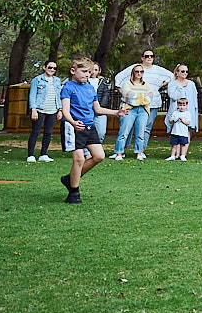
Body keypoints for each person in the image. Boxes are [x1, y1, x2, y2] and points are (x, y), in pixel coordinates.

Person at [59, 57, 128, 204]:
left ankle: (69, 179)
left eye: (89, 72)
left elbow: (97, 109)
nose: (87, 75)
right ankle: (74, 192)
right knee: (79, 159)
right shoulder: (68, 87)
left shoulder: (90, 88)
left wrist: (116, 112)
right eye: (84, 71)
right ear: (73, 71)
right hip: (73, 127)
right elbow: (65, 110)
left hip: (89, 127)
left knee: (99, 156)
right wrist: (73, 122)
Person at [113, 49, 171, 160]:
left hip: (149, 105)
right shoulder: (134, 69)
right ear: (142, 57)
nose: (149, 58)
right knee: (126, 129)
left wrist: (160, 86)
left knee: (145, 129)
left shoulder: (157, 71)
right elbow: (119, 79)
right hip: (131, 106)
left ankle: (140, 151)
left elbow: (171, 76)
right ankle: (121, 151)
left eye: (152, 56)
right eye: (147, 56)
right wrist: (126, 96)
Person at [26, 60, 63, 162]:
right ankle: (30, 155)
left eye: (54, 68)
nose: (52, 70)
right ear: (44, 67)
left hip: (52, 110)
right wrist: (33, 109)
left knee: (48, 132)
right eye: (50, 67)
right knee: (35, 132)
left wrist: (60, 110)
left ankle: (43, 154)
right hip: (40, 109)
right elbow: (32, 95)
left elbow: (59, 96)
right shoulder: (37, 80)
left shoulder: (57, 81)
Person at [167, 63, 199, 146]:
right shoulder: (172, 84)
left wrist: (194, 110)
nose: (185, 73)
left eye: (186, 71)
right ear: (177, 72)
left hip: (189, 110)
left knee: (187, 131)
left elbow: (194, 98)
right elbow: (173, 96)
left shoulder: (191, 84)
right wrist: (180, 87)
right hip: (176, 110)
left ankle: (183, 154)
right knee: (176, 131)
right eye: (182, 71)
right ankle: (175, 154)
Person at [165, 97, 192, 161]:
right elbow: (170, 121)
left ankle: (182, 155)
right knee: (174, 145)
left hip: (183, 133)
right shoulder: (175, 113)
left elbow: (188, 123)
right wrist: (174, 119)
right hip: (175, 132)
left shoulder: (187, 113)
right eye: (180, 105)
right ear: (177, 105)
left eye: (183, 105)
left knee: (183, 144)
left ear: (186, 105)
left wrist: (183, 120)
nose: (182, 107)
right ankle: (172, 156)